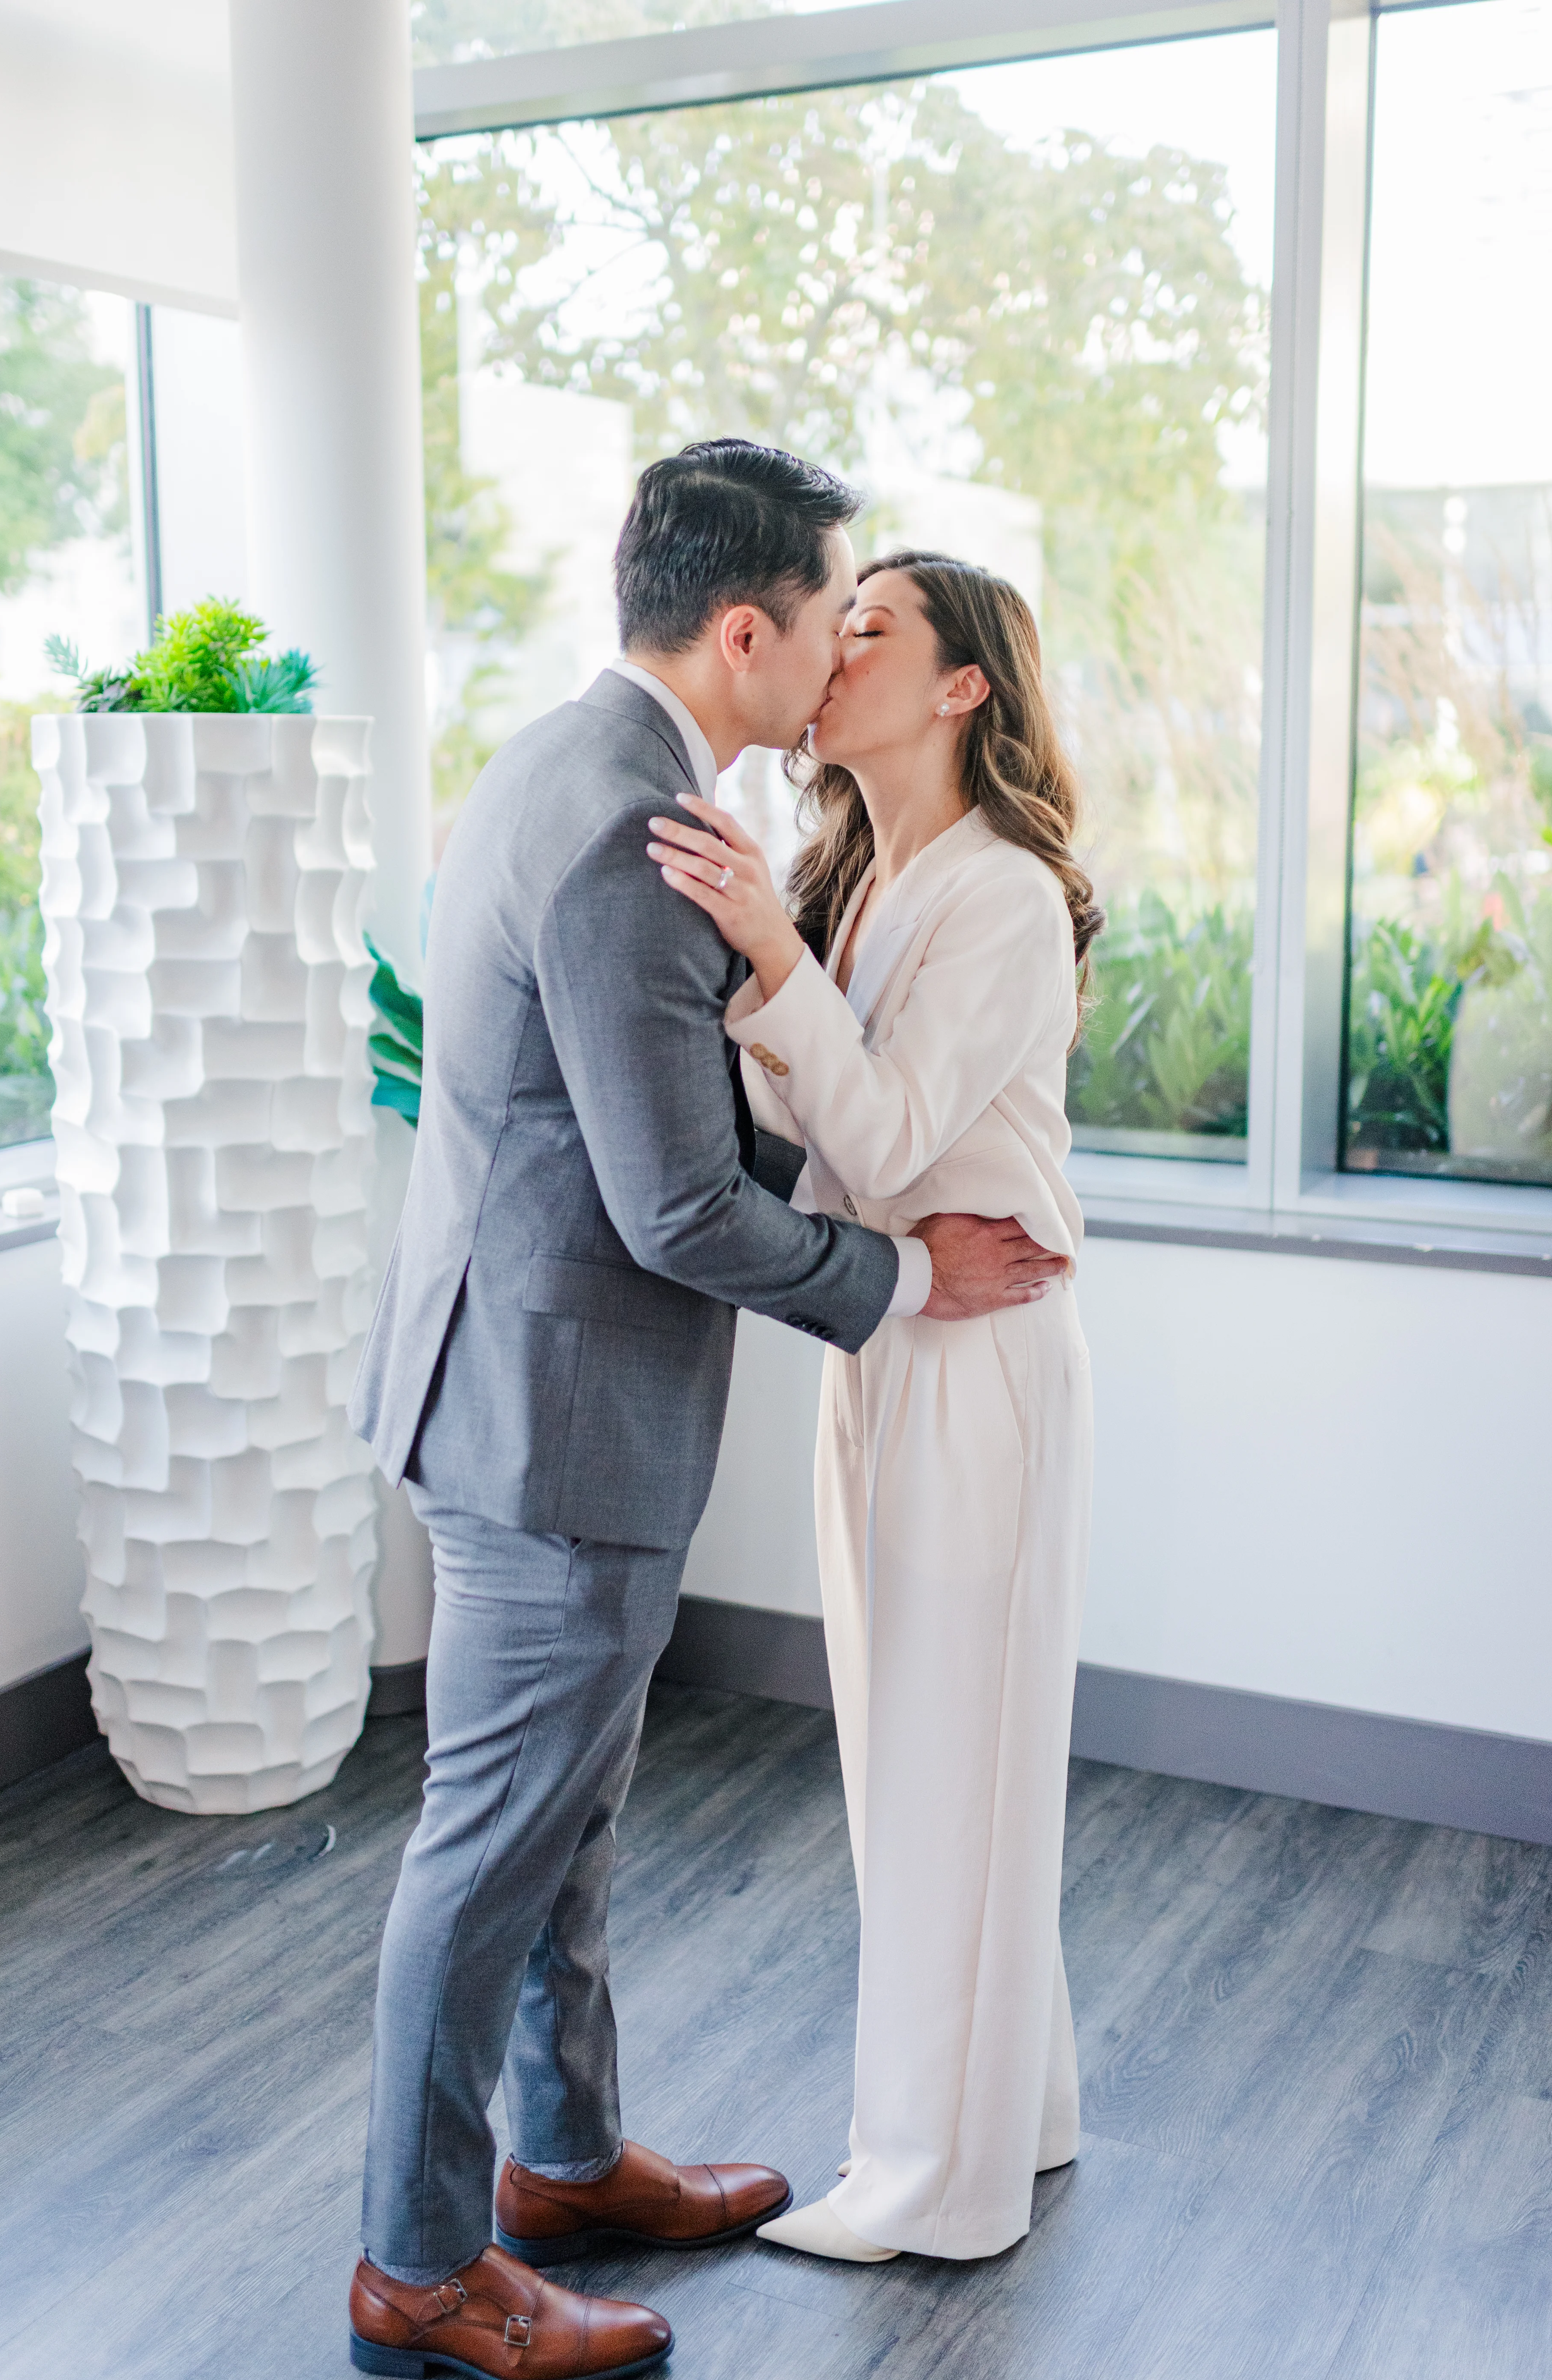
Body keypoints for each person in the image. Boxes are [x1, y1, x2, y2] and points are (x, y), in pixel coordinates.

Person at [345, 450, 1067, 2380]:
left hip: (536, 1396)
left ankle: (563, 2166)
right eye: (833, 606)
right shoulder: (625, 827)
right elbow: (675, 1202)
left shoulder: (585, 772)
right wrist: (906, 1279)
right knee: (493, 1847)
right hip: (547, 1425)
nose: (844, 636)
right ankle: (419, 2266)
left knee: (557, 1829)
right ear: (741, 632)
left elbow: (668, 1122)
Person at [646, 549, 1099, 2265]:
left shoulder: (997, 890)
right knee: (923, 1755)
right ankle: (1020, 2105)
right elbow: (823, 1136)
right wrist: (777, 952)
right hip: (890, 1333)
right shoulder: (869, 882)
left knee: (945, 1760)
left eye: (873, 627)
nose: (834, 649)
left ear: (964, 684)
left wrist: (761, 946)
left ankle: (927, 2181)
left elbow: (893, 1139)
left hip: (974, 1357)